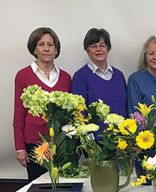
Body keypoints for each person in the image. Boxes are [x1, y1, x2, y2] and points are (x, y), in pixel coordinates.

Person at [13, 27, 71, 182]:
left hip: (60, 144)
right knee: (39, 190)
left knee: (62, 188)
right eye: (41, 44)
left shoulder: (66, 77)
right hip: (34, 144)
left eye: (50, 44)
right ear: (34, 48)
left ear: (56, 49)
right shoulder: (23, 75)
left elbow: (70, 115)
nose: (46, 48)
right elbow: (19, 113)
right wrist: (20, 148)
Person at [71, 28, 126, 116]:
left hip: (121, 129)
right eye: (93, 46)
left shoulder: (119, 75)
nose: (98, 49)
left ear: (108, 48)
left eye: (102, 45)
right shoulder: (80, 77)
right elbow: (79, 114)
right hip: (94, 130)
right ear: (87, 50)